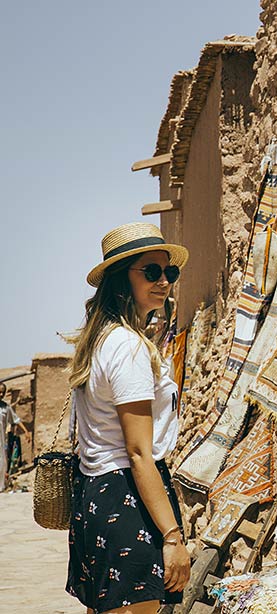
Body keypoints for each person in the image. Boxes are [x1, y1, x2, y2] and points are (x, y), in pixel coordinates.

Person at [66, 222, 191, 614]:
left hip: (96, 498)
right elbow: (138, 452)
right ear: (122, 279)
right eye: (151, 272)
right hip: (126, 498)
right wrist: (171, 535)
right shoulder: (129, 348)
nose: (164, 281)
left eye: (169, 272)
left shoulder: (102, 339)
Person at [0, 382, 22, 491]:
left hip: (1, 441)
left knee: (2, 463)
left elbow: (15, 419)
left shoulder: (5, 408)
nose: (0, 394)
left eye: (2, 392)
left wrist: (26, 432)